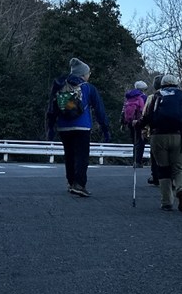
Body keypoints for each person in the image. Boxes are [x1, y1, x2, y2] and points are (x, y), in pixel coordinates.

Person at [45, 57, 111, 197]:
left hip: (63, 127)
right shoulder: (88, 88)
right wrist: (105, 128)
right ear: (82, 74)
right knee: (82, 156)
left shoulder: (60, 86)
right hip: (82, 126)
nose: (89, 75)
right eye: (88, 73)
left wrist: (50, 128)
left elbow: (52, 108)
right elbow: (99, 109)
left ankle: (71, 183)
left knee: (69, 155)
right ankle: (79, 184)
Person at [138, 74, 182, 212]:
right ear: (176, 84)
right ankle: (181, 189)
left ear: (162, 84)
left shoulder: (156, 96)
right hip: (179, 136)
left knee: (163, 168)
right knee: (179, 168)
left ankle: (166, 202)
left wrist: (138, 125)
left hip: (158, 136)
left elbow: (147, 116)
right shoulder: (181, 96)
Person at [122, 80, 149, 167]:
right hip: (139, 122)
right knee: (141, 141)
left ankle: (135, 160)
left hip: (130, 122)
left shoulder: (129, 97)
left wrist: (123, 123)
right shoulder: (144, 97)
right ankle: (138, 161)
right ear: (143, 89)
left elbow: (124, 110)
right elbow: (146, 110)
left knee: (135, 141)